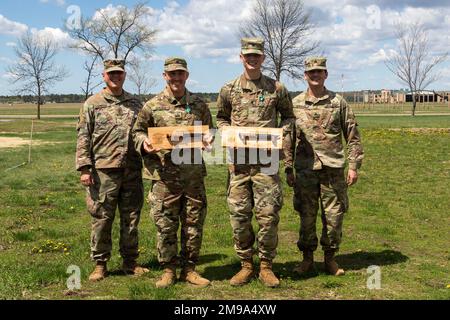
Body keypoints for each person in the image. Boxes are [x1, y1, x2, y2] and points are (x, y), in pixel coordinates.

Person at [216, 38, 295, 287]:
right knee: (239, 216)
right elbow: (220, 118)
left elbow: (289, 117)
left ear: (263, 58)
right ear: (241, 57)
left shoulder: (276, 88)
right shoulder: (228, 89)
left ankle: (266, 266)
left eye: (256, 56)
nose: (252, 59)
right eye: (247, 55)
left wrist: (282, 134)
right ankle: (246, 264)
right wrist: (227, 133)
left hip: (267, 163)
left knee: (268, 216)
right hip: (238, 164)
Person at [132, 57, 214, 288]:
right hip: (164, 177)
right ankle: (168, 270)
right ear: (164, 76)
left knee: (193, 223)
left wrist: (209, 138)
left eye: (180, 73)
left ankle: (190, 270)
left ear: (186, 75)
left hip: (192, 176)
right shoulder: (152, 106)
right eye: (171, 74)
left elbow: (209, 130)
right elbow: (137, 131)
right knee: (165, 224)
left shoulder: (199, 104)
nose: (176, 78)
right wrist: (144, 142)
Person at [285, 57, 364, 276]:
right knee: (306, 215)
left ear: (326, 74)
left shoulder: (339, 103)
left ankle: (330, 259)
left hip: (333, 170)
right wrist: (288, 168)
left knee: (334, 215)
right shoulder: (296, 104)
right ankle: (307, 259)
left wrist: (354, 165)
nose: (315, 75)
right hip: (305, 170)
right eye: (311, 72)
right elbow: (288, 139)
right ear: (305, 76)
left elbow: (353, 135)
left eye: (319, 71)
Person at [76, 59, 149, 282]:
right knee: (102, 218)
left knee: (131, 218)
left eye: (119, 73)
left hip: (131, 170)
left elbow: (145, 131)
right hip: (103, 171)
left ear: (124, 75)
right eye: (111, 74)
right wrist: (84, 168)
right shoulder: (93, 103)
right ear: (104, 76)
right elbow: (83, 136)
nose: (115, 77)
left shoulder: (135, 103)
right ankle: (100, 264)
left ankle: (130, 262)